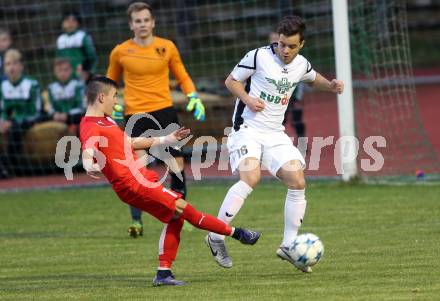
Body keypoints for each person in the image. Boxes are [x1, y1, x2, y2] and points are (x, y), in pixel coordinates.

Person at [79, 76, 260, 286]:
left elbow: (129, 142)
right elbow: (87, 147)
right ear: (101, 97)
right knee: (185, 209)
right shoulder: (90, 124)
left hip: (136, 182)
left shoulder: (106, 120)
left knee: (176, 217)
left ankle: (164, 273)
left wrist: (166, 139)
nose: (116, 102)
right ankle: (237, 234)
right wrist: (88, 163)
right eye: (114, 96)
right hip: (133, 183)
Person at [205, 16, 344, 272]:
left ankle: (289, 246)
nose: (285, 50)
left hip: (274, 134)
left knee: (297, 180)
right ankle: (216, 235)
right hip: (246, 129)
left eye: (291, 46)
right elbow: (231, 81)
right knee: (251, 177)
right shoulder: (257, 56)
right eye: (281, 44)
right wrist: (247, 98)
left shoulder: (301, 64)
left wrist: (332, 86)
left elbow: (313, 78)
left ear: (301, 44)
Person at [106, 2, 206, 238]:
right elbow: (109, 84)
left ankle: (182, 214)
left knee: (176, 166)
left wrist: (193, 96)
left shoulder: (167, 47)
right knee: (139, 171)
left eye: (145, 20)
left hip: (164, 111)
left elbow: (182, 75)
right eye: (137, 21)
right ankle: (137, 222)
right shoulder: (120, 52)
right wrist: (114, 106)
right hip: (136, 116)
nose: (142, 24)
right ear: (131, 25)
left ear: (153, 22)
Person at [0, 49, 45, 176]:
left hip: (33, 117)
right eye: (8, 64)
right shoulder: (3, 86)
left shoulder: (31, 84)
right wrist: (3, 121)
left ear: (21, 66)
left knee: (15, 129)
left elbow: (36, 111)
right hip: (11, 121)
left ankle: (10, 167)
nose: (11, 67)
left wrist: (12, 121)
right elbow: (4, 111)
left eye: (14, 63)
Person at [270, 31, 306, 140]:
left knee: (297, 120)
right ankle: (274, 144)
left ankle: (302, 142)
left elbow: (301, 77)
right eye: (273, 39)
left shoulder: (293, 57)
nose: (275, 42)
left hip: (293, 96)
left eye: (278, 40)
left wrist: (298, 97)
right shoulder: (266, 59)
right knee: (278, 122)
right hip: (277, 98)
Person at [56, 11, 97, 82]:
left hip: (82, 75)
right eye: (67, 20)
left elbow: (92, 56)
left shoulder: (83, 36)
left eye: (73, 20)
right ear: (62, 23)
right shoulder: (60, 39)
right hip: (66, 76)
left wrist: (86, 69)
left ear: (78, 23)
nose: (70, 23)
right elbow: (59, 60)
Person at [47, 57, 85, 132]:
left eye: (65, 70)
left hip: (75, 119)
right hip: (57, 120)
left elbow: (81, 106)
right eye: (59, 70)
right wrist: (54, 114)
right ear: (54, 72)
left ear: (71, 70)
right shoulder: (51, 87)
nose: (62, 73)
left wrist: (67, 115)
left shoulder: (78, 85)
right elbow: (50, 106)